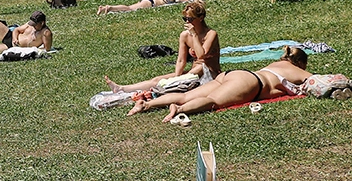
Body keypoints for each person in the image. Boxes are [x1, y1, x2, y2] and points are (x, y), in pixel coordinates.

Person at [128, 46, 311, 121]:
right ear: (300, 62)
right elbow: (316, 80)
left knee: (186, 96)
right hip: (251, 82)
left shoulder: (276, 63)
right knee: (212, 101)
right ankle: (180, 110)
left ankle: (147, 104)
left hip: (234, 75)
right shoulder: (296, 69)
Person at [106, 0, 220, 94]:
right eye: (185, 19)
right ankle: (122, 89)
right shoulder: (185, 35)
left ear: (201, 18)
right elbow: (181, 60)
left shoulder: (211, 34)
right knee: (158, 80)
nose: (187, 22)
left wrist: (194, 34)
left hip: (210, 74)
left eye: (190, 19)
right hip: (193, 74)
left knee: (198, 68)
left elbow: (201, 55)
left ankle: (170, 87)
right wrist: (176, 77)